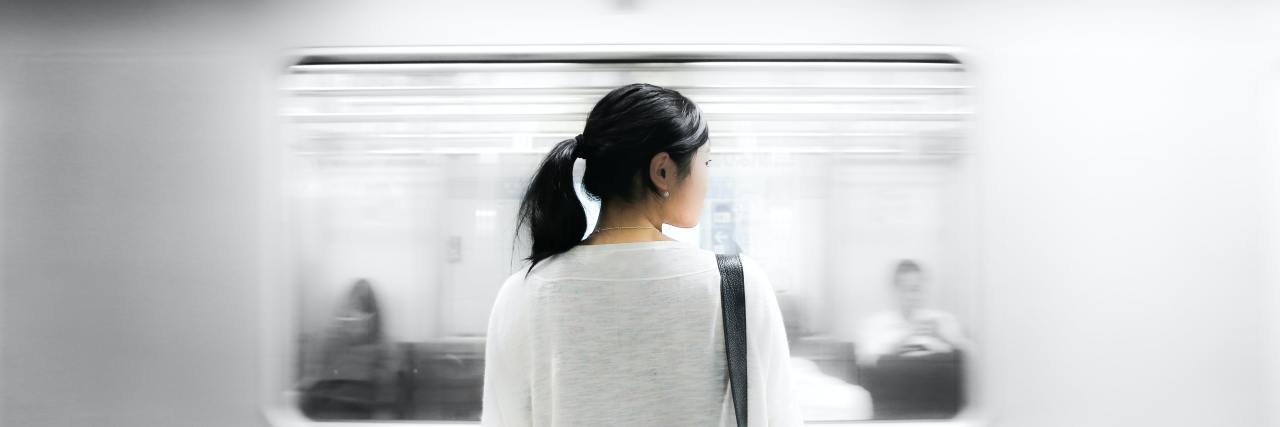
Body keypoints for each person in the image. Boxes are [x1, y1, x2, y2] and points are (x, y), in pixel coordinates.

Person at [481, 83, 803, 426]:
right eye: (705, 162)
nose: (707, 179)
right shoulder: (737, 286)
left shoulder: (522, 293)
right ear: (662, 170)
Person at [855, 260, 968, 367]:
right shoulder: (874, 325)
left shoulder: (941, 320)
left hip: (934, 382)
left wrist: (943, 337)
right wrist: (904, 339)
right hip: (890, 383)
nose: (911, 296)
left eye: (916, 289)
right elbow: (864, 362)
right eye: (905, 289)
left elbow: (969, 357)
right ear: (895, 289)